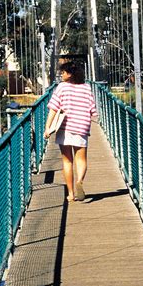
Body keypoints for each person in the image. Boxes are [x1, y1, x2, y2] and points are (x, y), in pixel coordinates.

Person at [44, 61, 97, 202]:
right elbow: (92, 110)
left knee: (67, 161)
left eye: (63, 72)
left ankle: (71, 194)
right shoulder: (87, 88)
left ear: (70, 74)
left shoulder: (61, 87)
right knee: (81, 158)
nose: (61, 75)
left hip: (65, 127)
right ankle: (80, 180)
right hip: (82, 127)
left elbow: (54, 108)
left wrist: (47, 128)